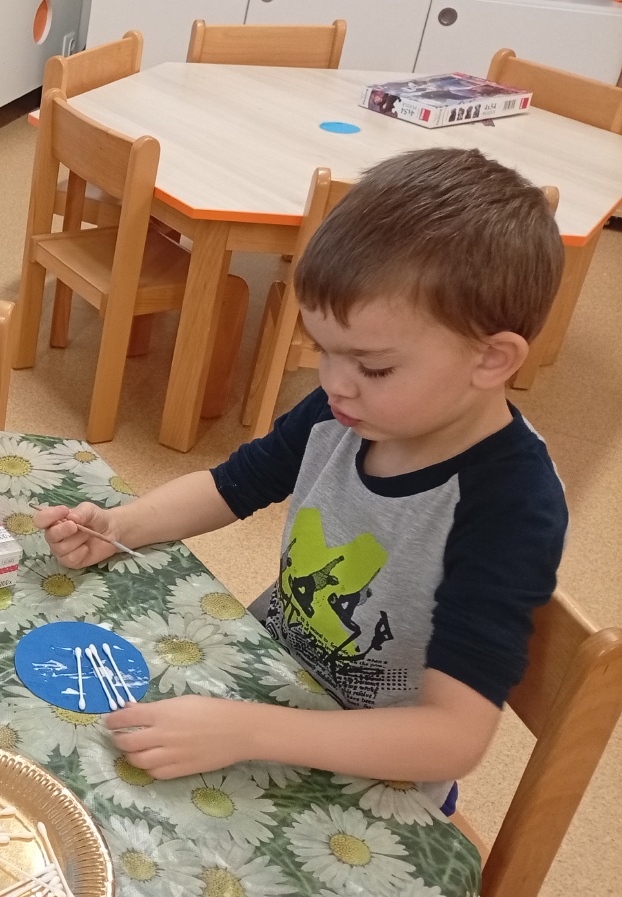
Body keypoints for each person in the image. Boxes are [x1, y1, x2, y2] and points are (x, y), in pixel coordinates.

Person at [36, 148, 567, 810]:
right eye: (323, 350)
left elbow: (452, 737)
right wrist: (121, 525)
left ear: (491, 358)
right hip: (272, 685)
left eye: (373, 367)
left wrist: (249, 731)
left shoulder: (511, 504)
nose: (334, 383)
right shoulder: (344, 412)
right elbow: (233, 484)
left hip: (373, 776)